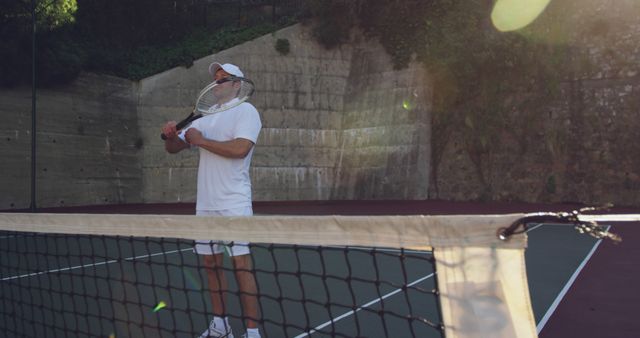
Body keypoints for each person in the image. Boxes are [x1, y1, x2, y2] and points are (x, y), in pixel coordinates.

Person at [161, 62, 262, 338]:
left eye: (223, 78)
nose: (217, 82)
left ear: (237, 84)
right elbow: (173, 148)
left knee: (241, 264)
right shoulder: (203, 117)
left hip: (234, 203)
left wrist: (202, 141)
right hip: (205, 205)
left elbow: (241, 149)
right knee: (211, 264)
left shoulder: (246, 111)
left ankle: (252, 332)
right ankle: (221, 326)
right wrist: (170, 135)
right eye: (215, 79)